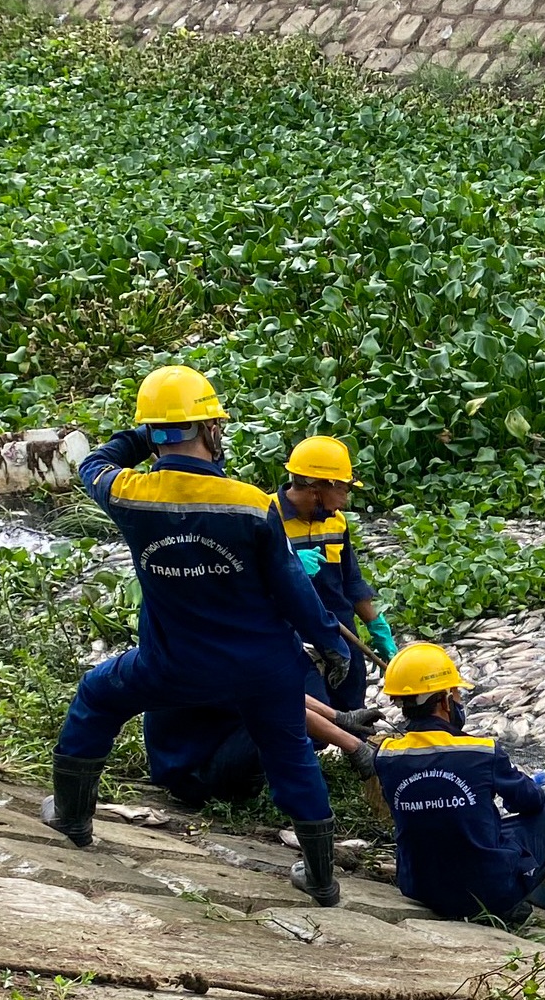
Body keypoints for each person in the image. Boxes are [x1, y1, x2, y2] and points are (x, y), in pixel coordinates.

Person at [43, 365, 353, 906]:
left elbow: (92, 463)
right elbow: (294, 592)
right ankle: (321, 878)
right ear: (211, 430)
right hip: (262, 669)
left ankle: (72, 817)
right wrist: (331, 642)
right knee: (290, 756)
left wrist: (142, 437)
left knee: (97, 696)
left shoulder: (130, 494)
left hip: (172, 664)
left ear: (154, 434)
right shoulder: (251, 503)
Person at [373, 642, 545, 924]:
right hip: (489, 892)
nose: (459, 701)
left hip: (419, 887)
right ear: (445, 701)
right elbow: (532, 801)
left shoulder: (385, 755)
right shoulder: (481, 751)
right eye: (456, 694)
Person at [275, 434, 396, 711]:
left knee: (352, 698)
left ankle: (354, 751)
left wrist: (376, 626)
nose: (345, 498)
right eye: (342, 488)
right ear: (317, 487)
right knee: (311, 707)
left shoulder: (336, 522)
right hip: (292, 631)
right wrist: (287, 562)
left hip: (339, 626)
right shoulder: (267, 516)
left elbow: (351, 580)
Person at [144, 696, 379, 810]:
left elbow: (277, 688)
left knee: (267, 701)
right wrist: (355, 748)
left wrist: (340, 717)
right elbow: (277, 706)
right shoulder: (211, 663)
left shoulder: (215, 646)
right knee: (272, 720)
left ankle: (246, 785)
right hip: (193, 778)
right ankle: (241, 791)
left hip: (196, 755)